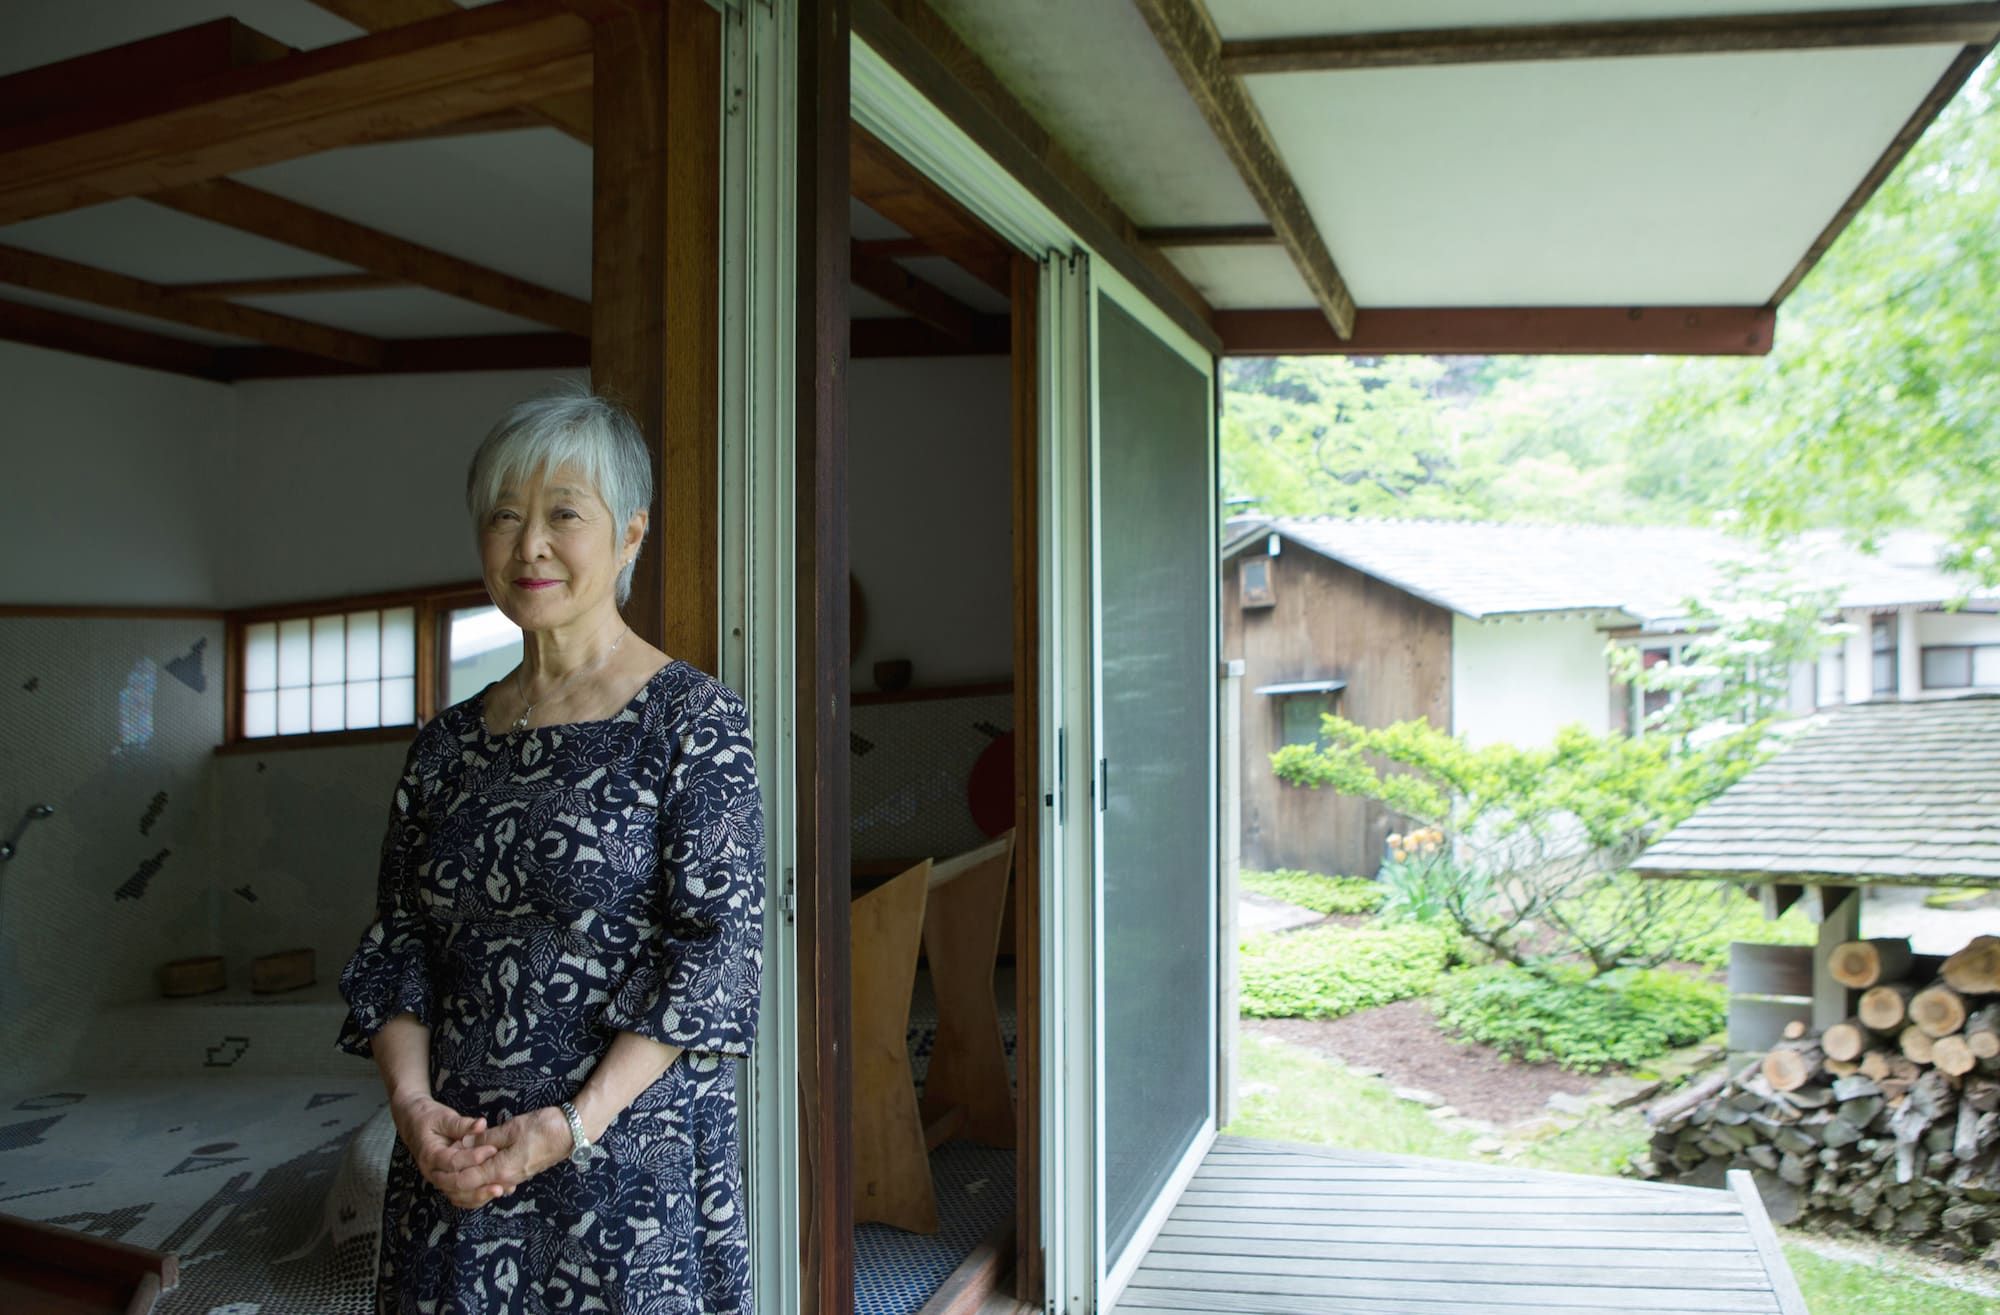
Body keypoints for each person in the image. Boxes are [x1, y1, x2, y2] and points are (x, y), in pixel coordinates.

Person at [335, 387, 765, 1314]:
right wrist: (414, 1111)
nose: (528, 545)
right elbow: (398, 944)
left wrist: (573, 1124)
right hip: (458, 1162)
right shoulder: (446, 746)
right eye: (503, 517)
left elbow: (716, 957)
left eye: (563, 513)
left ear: (630, 533)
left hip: (623, 1162)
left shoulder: (693, 721)